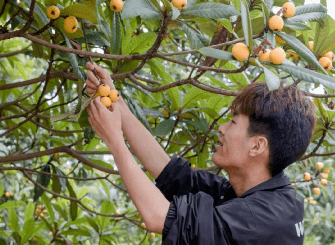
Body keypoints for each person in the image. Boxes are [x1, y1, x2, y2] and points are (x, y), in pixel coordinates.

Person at [85, 61, 316, 244]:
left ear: (257, 146)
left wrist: (114, 139)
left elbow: (159, 217)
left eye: (233, 123)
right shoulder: (261, 196)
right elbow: (170, 173)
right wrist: (116, 101)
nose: (221, 128)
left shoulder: (261, 218)